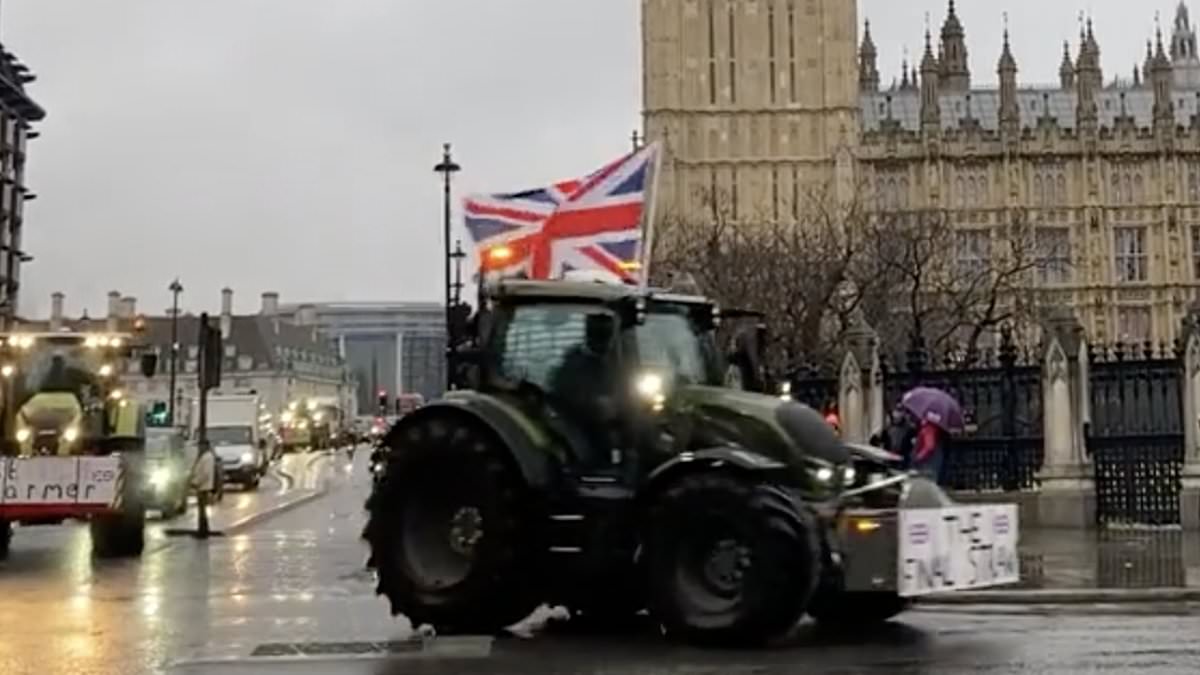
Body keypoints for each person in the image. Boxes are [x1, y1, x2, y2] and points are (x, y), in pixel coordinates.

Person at [189, 440, 215, 537]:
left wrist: (196, 482)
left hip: (204, 487)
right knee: (201, 510)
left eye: (201, 446)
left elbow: (205, 474)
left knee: (202, 510)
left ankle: (203, 531)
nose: (199, 448)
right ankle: (203, 529)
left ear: (205, 446)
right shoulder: (205, 457)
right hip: (203, 486)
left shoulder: (207, 458)